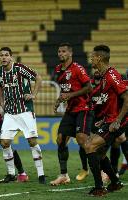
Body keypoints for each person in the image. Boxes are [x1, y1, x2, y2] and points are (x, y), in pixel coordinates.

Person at [0, 47, 46, 184]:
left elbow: (38, 78)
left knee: (32, 141)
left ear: (11, 57)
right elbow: (1, 89)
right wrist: (2, 103)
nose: (4, 57)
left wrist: (34, 94)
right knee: (4, 142)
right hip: (10, 113)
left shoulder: (20, 68)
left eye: (6, 55)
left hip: (25, 111)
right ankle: (11, 174)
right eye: (1, 55)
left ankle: (41, 175)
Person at [85, 45, 126, 196]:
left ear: (99, 58)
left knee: (89, 145)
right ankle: (115, 183)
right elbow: (111, 101)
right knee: (100, 153)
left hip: (117, 121)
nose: (91, 59)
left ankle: (99, 188)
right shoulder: (103, 77)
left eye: (93, 56)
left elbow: (126, 98)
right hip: (109, 120)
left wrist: (117, 120)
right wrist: (103, 120)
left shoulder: (111, 75)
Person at [50, 43, 93, 185]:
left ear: (70, 54)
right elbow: (65, 91)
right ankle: (64, 175)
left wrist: (71, 95)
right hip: (71, 110)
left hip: (83, 108)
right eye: (58, 51)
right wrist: (58, 101)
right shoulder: (58, 69)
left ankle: (102, 171)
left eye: (63, 51)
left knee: (82, 140)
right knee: (60, 140)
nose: (60, 54)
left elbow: (89, 88)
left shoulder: (78, 69)